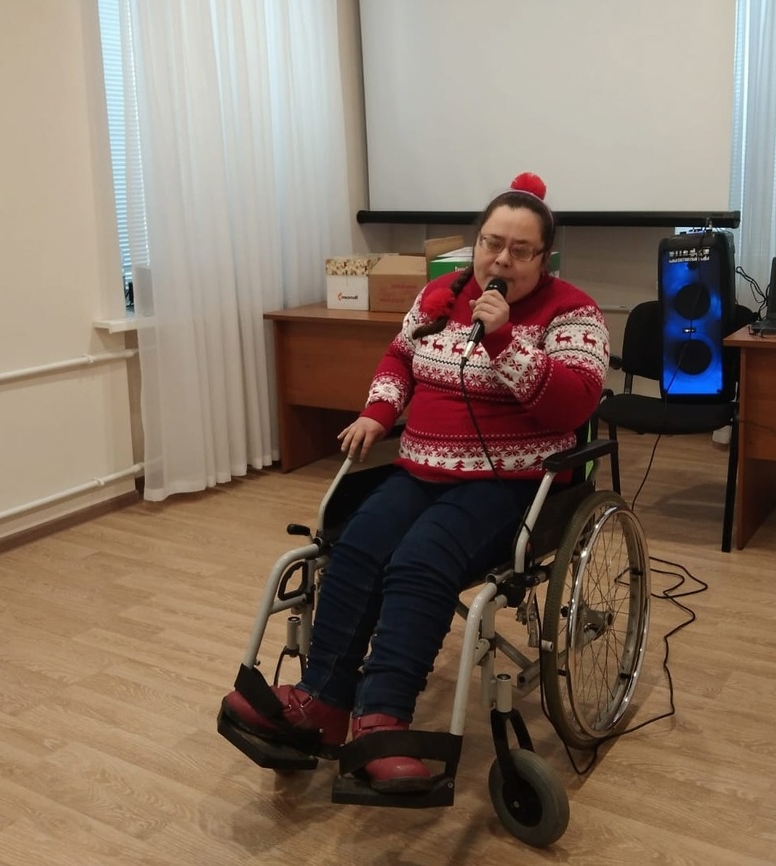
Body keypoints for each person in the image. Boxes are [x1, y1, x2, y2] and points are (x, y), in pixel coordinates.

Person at [221, 172, 610, 793]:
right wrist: (378, 412)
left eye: (520, 250)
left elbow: (573, 403)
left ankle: (383, 719)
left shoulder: (573, 312)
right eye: (492, 243)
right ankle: (322, 703)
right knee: (357, 546)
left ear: (545, 258)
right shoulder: (437, 296)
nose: (501, 260)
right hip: (420, 466)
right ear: (477, 243)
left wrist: (504, 339)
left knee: (420, 561)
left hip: (508, 483)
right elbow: (400, 357)